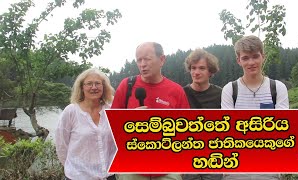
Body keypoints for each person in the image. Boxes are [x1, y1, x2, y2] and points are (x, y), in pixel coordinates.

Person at [111, 42, 190, 180]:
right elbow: (111, 125)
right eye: (139, 60)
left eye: (147, 59)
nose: (142, 64)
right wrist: (128, 121)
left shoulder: (176, 90)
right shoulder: (126, 86)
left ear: (162, 60)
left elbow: (187, 130)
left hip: (167, 170)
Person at [221, 35, 289, 180]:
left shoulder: (277, 88)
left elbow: (282, 129)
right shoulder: (230, 89)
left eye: (255, 56)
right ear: (238, 60)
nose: (251, 62)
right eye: (245, 58)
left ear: (263, 57)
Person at [55, 68, 116, 180]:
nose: (94, 87)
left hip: (108, 176)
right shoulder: (71, 111)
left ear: (103, 87)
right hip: (79, 176)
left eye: (98, 83)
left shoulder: (111, 109)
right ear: (82, 87)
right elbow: (61, 145)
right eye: (89, 84)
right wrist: (72, 168)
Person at [182, 49, 223, 180]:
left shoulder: (221, 94)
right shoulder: (181, 93)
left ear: (210, 71)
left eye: (202, 68)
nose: (196, 72)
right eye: (193, 68)